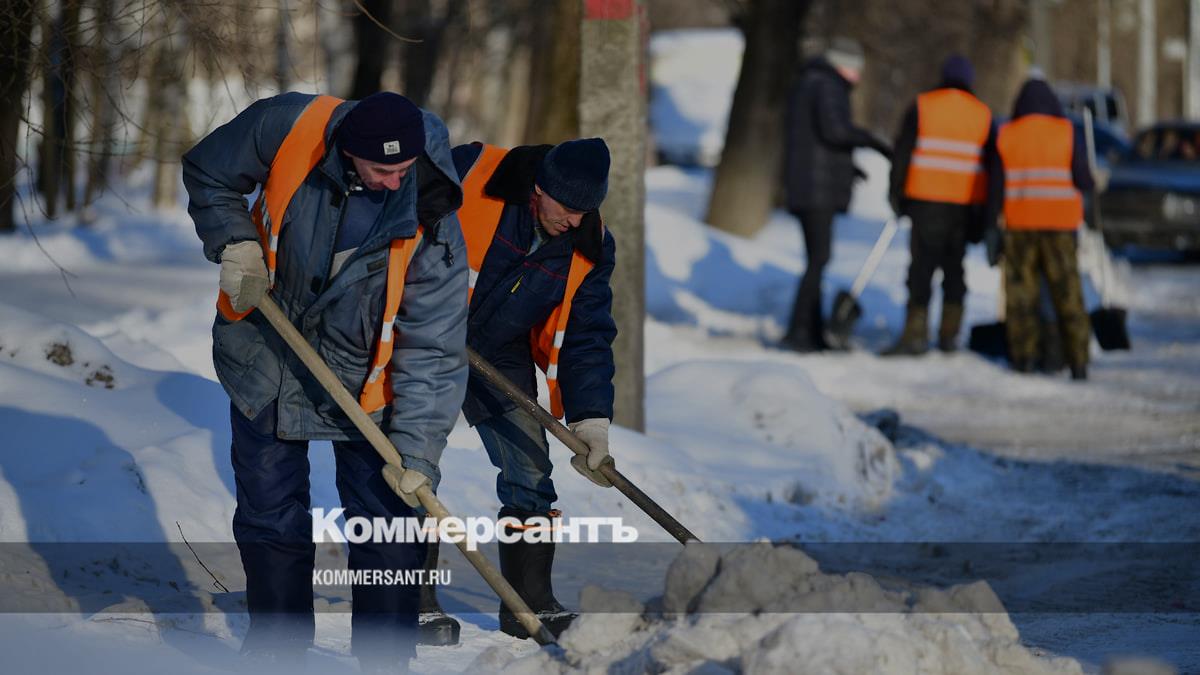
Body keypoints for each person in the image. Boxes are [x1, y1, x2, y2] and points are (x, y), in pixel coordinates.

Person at [182, 91, 469, 672]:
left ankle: (385, 658)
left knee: (388, 519)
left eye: (405, 167)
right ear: (348, 152)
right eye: (382, 169)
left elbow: (435, 346)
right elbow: (209, 170)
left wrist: (418, 451)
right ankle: (278, 649)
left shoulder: (432, 211)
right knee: (271, 511)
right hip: (267, 351)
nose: (395, 181)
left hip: (368, 381)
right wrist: (236, 241)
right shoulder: (289, 126)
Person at [441, 137, 618, 639]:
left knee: (531, 470)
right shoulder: (470, 174)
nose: (575, 221)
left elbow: (586, 334)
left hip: (498, 352)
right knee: (413, 462)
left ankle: (528, 605)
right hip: (425, 337)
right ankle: (413, 601)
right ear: (538, 188)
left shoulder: (590, 244)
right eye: (567, 208)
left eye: (586, 211)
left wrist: (591, 420)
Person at [782, 37, 892, 352]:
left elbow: (815, 140)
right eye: (856, 69)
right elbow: (835, 131)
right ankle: (800, 331)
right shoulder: (827, 85)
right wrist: (874, 141)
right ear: (843, 65)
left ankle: (811, 331)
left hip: (809, 183)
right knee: (818, 259)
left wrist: (849, 169)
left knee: (817, 259)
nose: (858, 76)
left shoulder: (811, 82)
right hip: (815, 189)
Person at [884, 54, 995, 355]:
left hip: (925, 202)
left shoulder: (923, 105)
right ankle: (949, 334)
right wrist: (985, 215)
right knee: (954, 269)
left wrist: (896, 193)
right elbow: (991, 167)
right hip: (963, 206)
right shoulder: (982, 114)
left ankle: (915, 334)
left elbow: (903, 151)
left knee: (921, 268)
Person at [984, 77, 1094, 380]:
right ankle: (1078, 362)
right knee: (1068, 293)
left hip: (1020, 226)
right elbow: (1083, 179)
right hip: (1060, 227)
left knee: (1021, 295)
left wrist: (991, 228)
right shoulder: (1066, 132)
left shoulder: (1007, 134)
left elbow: (995, 187)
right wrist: (1092, 211)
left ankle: (1024, 359)